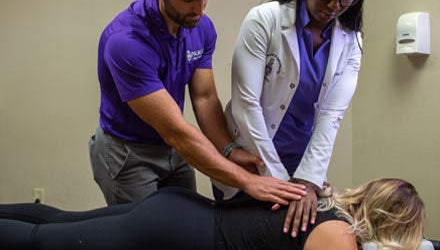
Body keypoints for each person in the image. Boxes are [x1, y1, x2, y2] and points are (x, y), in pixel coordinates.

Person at [89, 0, 306, 206]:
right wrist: (247, 181)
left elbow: (204, 98)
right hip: (129, 152)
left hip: (173, 147)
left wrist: (228, 149)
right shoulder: (125, 42)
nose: (200, 10)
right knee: (144, 237)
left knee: (186, 228)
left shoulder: (201, 28)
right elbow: (175, 131)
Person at [211, 0, 371, 237]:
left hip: (302, 162)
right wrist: (281, 183)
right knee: (234, 237)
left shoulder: (351, 41)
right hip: (251, 154)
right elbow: (246, 105)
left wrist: (307, 181)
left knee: (290, 236)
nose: (335, 4)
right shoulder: (265, 20)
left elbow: (330, 115)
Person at [0, 178, 426, 250]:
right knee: (43, 243)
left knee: (57, 221)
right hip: (174, 236)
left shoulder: (321, 194)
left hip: (179, 212)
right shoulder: (339, 238)